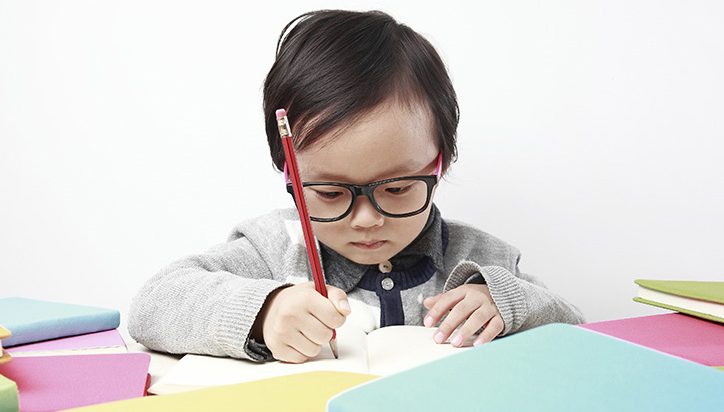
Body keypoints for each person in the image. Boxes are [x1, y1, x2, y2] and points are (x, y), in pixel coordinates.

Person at [129, 9, 584, 364]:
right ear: (290, 175)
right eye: (329, 194)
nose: (366, 219)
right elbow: (152, 305)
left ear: (438, 164)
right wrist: (263, 311)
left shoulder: (482, 259)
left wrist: (507, 304)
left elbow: (578, 327)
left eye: (399, 188)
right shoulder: (271, 249)